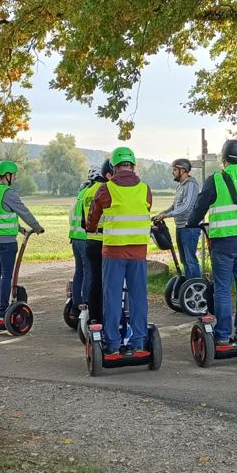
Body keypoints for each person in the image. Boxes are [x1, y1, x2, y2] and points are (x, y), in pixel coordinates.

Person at [186, 139, 237, 345]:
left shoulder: (216, 179)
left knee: (223, 288)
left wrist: (192, 222)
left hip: (224, 243)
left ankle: (222, 334)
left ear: (224, 158)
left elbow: (200, 207)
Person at [86, 147, 153, 356]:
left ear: (114, 167)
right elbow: (145, 209)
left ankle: (113, 343)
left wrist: (91, 227)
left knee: (113, 296)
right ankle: (139, 341)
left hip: (114, 250)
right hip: (139, 251)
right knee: (138, 296)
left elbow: (92, 218)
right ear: (133, 165)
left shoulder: (106, 189)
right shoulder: (145, 189)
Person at [0, 161, 44, 318]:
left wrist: (20, 229)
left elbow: (0, 216)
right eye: (13, 175)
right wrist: (37, 227)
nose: (14, 178)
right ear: (7, 175)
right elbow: (23, 211)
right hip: (7, 242)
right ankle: (3, 312)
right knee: (7, 275)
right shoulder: (7, 192)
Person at [154, 158, 202, 279]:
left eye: (175, 170)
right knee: (184, 260)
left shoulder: (191, 184)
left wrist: (168, 215)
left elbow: (187, 206)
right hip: (180, 227)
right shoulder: (180, 186)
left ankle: (196, 287)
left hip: (189, 228)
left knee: (190, 260)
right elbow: (175, 206)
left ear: (184, 170)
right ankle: (188, 287)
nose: (173, 172)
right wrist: (162, 213)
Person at [82, 160, 114, 324]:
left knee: (95, 280)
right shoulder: (107, 190)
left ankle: (94, 318)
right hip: (106, 240)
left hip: (90, 242)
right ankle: (109, 316)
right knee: (109, 282)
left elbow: (83, 221)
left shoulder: (87, 192)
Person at [68, 168, 96, 312]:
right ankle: (86, 302)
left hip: (74, 238)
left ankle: (76, 302)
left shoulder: (79, 197)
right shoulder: (91, 195)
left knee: (78, 270)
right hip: (85, 238)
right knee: (88, 271)